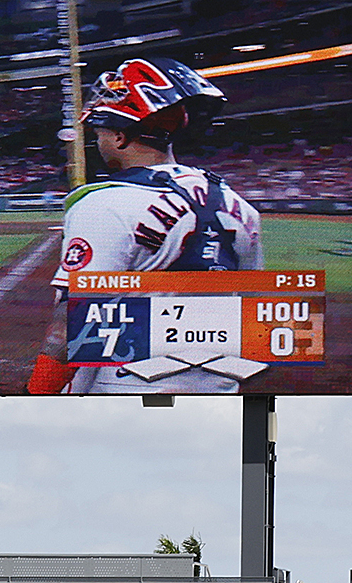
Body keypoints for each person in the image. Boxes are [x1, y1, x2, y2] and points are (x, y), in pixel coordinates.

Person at [29, 57, 264, 397]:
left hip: (125, 390)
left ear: (121, 137)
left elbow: (75, 316)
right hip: (219, 389)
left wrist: (36, 394)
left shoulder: (103, 204)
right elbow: (250, 304)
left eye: (101, 132)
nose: (98, 141)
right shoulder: (241, 206)